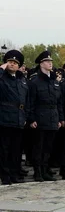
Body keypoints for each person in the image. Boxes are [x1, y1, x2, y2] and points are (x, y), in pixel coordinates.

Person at [28, 51, 64, 182]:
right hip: (40, 117)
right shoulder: (35, 81)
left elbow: (59, 102)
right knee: (39, 146)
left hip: (53, 117)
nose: (50, 64)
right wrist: (31, 119)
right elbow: (31, 102)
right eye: (47, 62)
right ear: (41, 64)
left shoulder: (54, 82)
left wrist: (60, 118)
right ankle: (38, 171)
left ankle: (45, 169)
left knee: (49, 147)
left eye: (51, 62)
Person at [0, 50, 28, 185]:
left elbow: (26, 100)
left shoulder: (21, 80)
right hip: (5, 118)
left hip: (19, 118)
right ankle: (5, 175)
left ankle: (14, 173)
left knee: (16, 150)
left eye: (15, 63)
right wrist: (0, 70)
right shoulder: (2, 78)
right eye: (10, 62)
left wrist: (26, 116)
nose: (12, 64)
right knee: (4, 149)